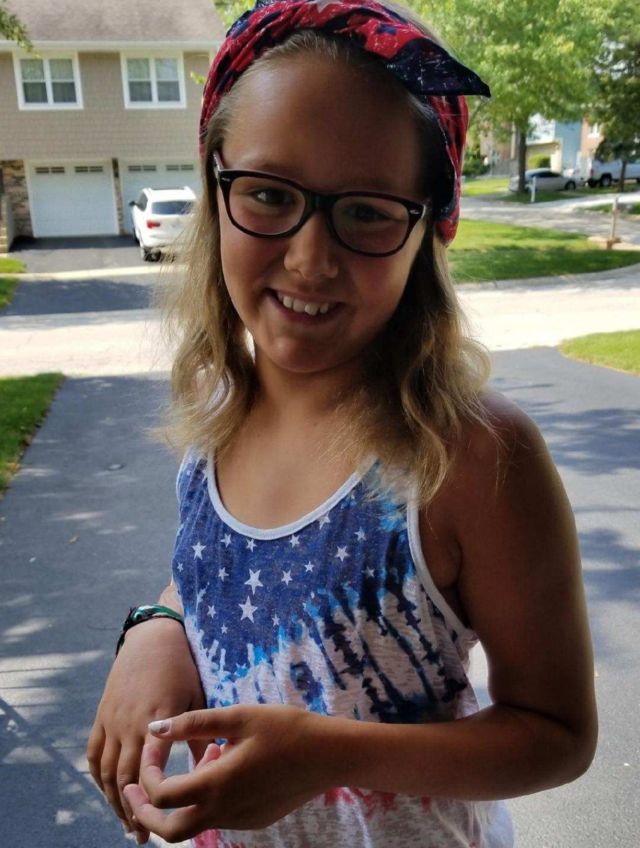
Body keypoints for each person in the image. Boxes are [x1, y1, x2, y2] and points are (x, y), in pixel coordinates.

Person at [87, 1, 598, 845]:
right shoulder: (220, 410)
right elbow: (222, 571)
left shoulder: (470, 454)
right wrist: (158, 627)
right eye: (268, 194)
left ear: (426, 230)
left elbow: (559, 734)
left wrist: (326, 755)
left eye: (366, 211)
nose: (310, 258)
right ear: (217, 189)